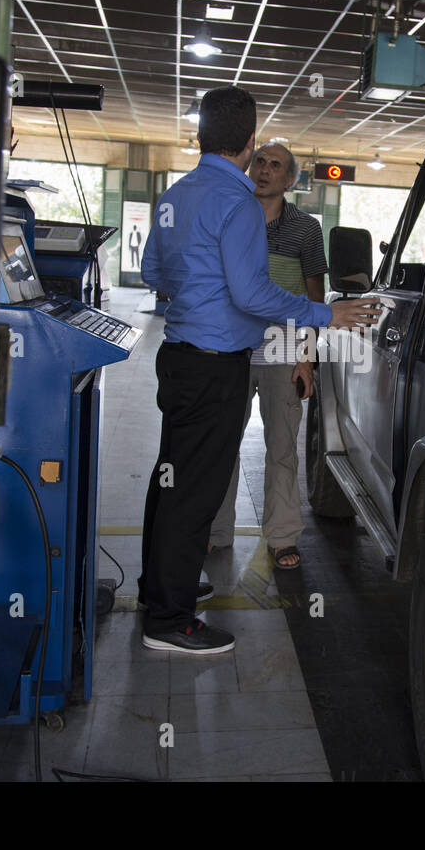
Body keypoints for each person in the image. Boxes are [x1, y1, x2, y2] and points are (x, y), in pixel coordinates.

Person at [138, 86, 379, 655]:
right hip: (216, 362)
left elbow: (152, 270)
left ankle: (160, 589)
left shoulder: (177, 193)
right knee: (195, 491)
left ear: (200, 136)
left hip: (179, 359)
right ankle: (169, 621)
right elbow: (251, 294)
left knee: (170, 479)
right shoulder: (239, 202)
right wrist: (325, 314)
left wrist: (198, 291)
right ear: (248, 144)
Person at [209, 143, 322, 571]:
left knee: (281, 448)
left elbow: (315, 296)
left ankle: (282, 536)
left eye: (276, 166)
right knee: (222, 443)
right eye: (259, 161)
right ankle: (216, 531)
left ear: (290, 180)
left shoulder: (305, 230)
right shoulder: (232, 217)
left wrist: (307, 357)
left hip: (284, 345)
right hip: (233, 345)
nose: (264, 170)